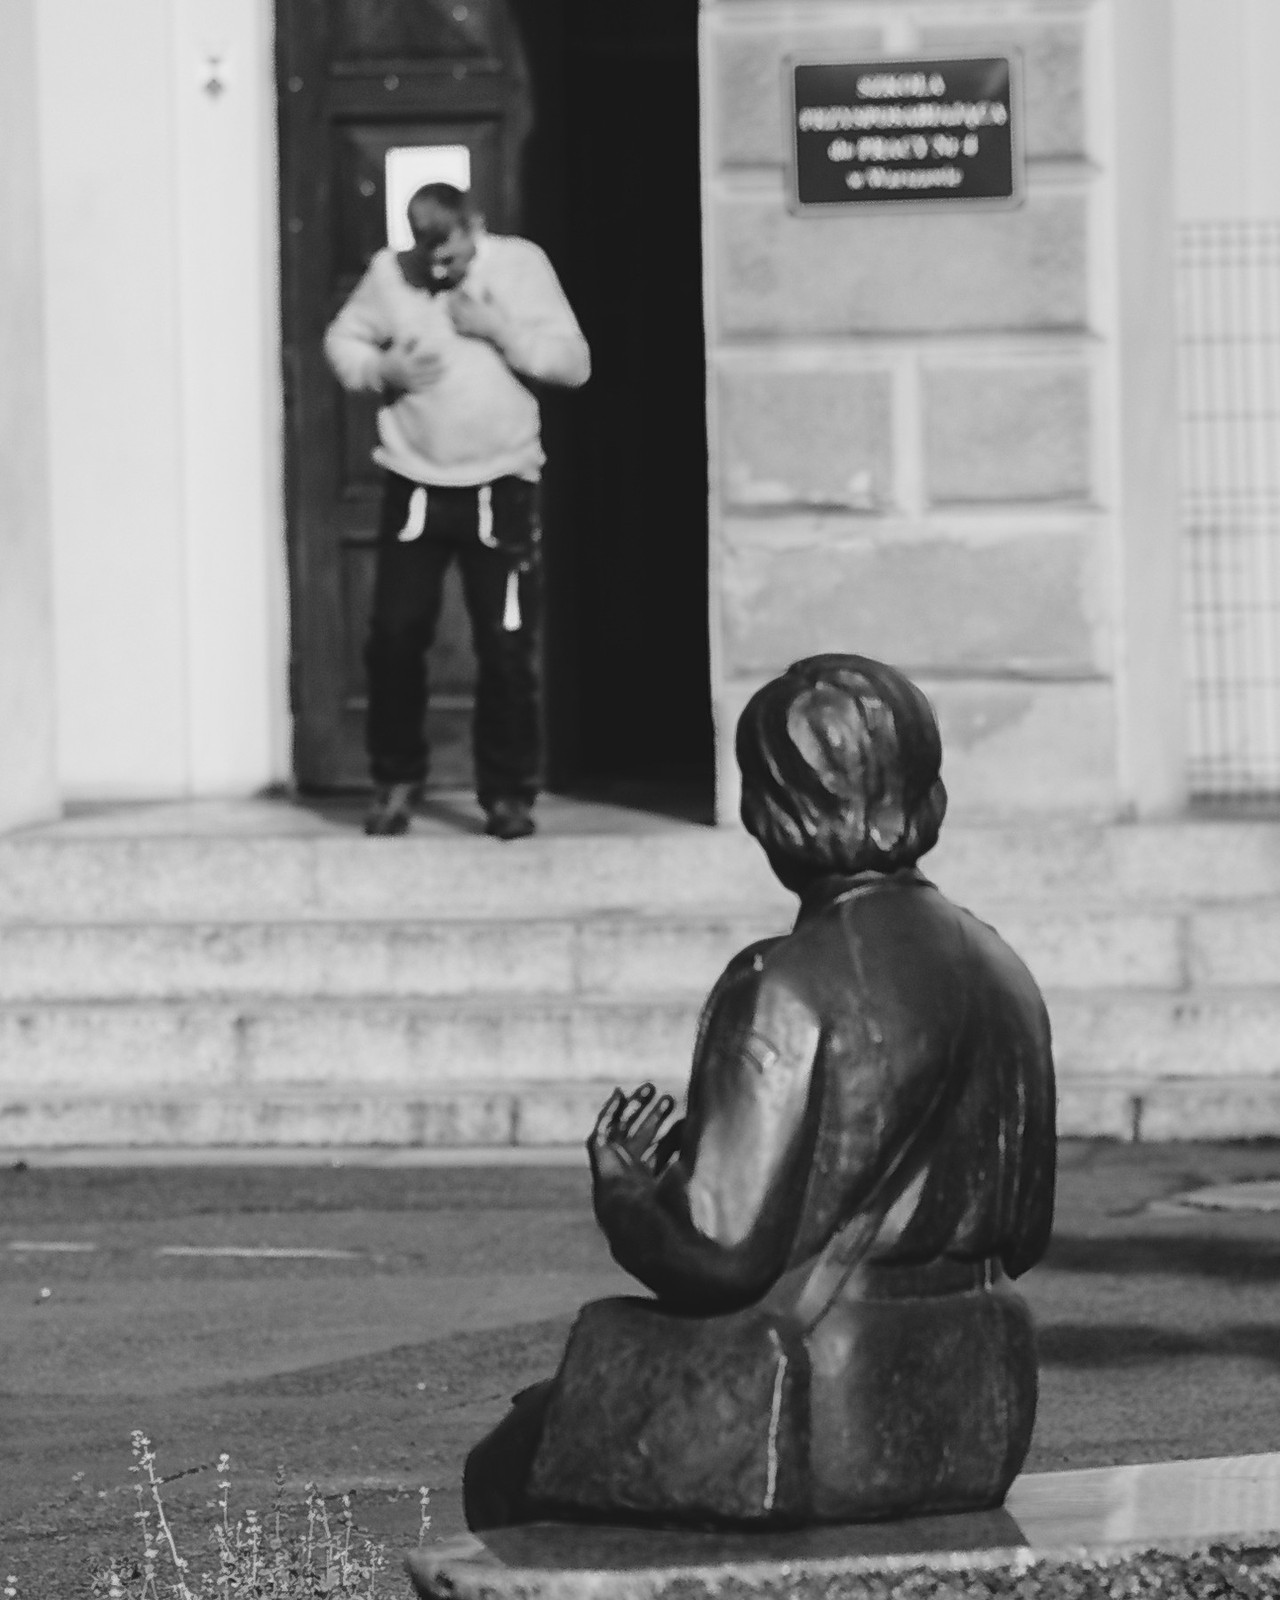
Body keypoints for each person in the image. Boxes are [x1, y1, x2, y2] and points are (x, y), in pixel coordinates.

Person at [461, 654, 1057, 1530]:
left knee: (509, 1464)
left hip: (824, 1408)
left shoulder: (781, 985)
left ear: (769, 812)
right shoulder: (1005, 971)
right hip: (977, 1400)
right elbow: (1027, 1231)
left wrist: (627, 1192)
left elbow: (715, 1251)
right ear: (927, 794)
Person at [324, 183, 590, 839]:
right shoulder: (390, 273)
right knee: (394, 637)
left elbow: (574, 364)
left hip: (502, 485)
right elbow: (342, 341)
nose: (439, 270)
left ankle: (507, 794)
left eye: (452, 255)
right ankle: (395, 781)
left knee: (506, 646)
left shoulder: (521, 265)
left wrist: (500, 331)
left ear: (476, 227)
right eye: (429, 257)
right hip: (415, 484)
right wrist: (380, 368)